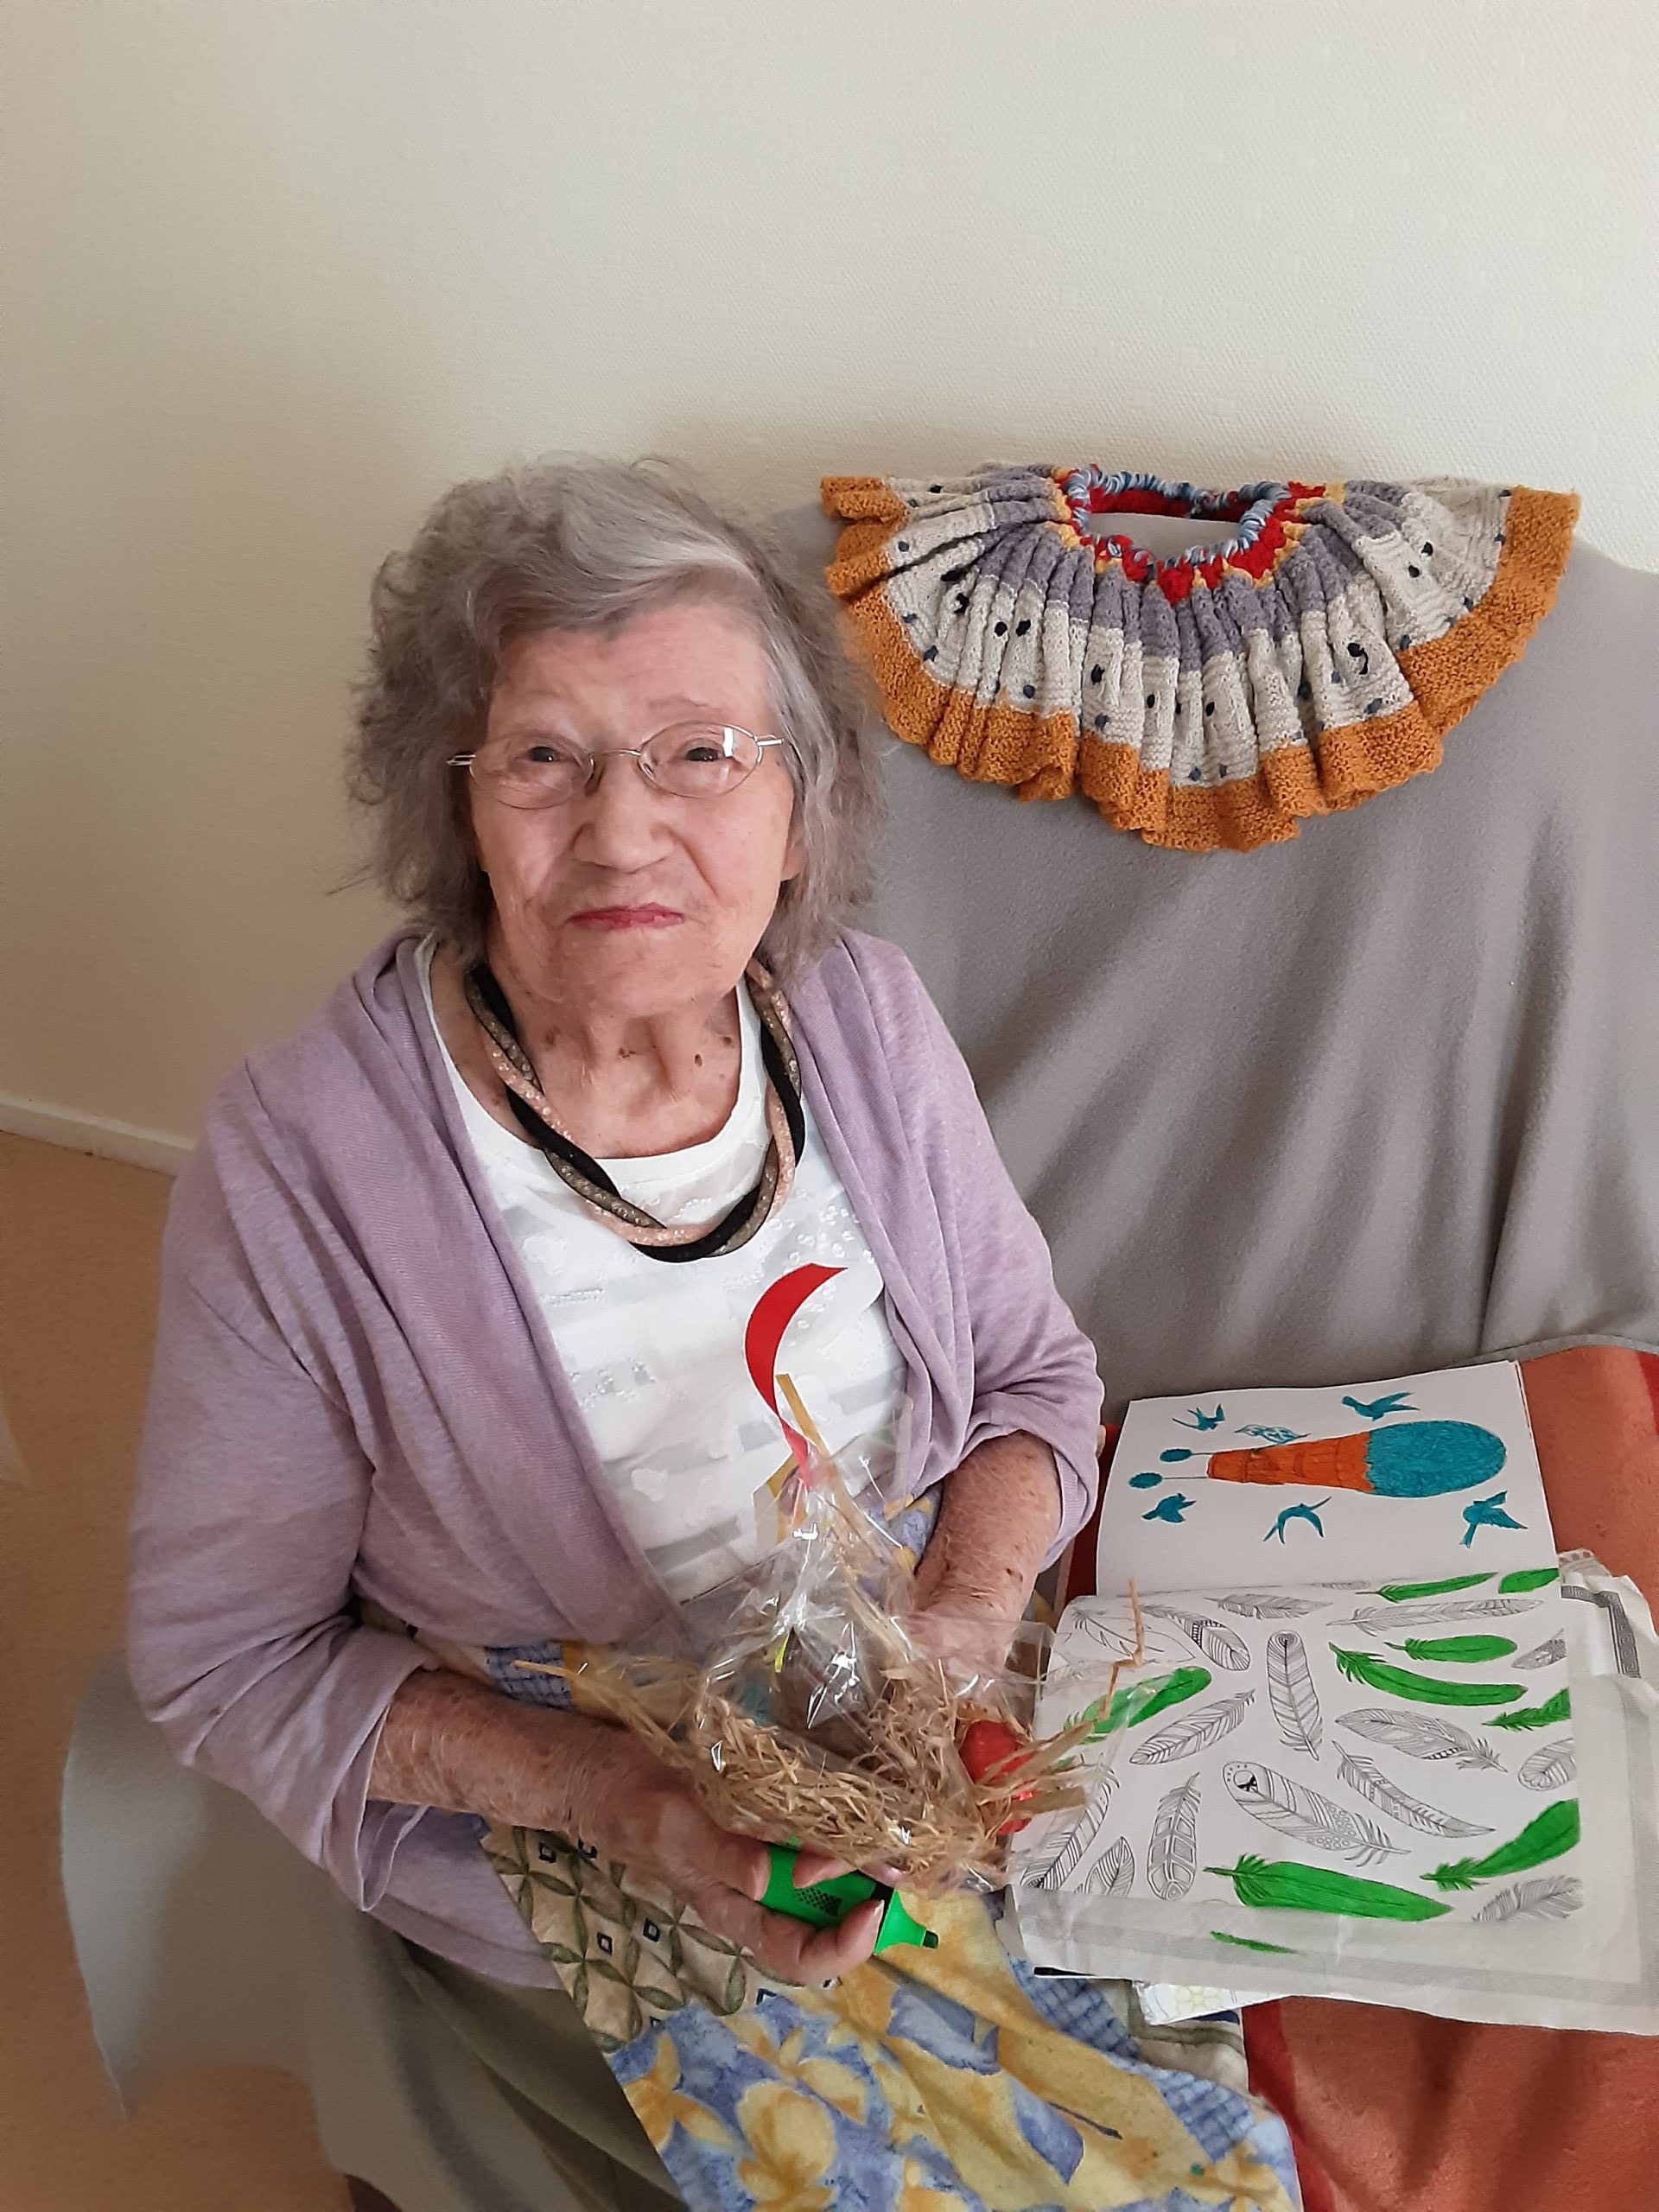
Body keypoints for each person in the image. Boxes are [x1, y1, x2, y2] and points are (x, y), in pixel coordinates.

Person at [130, 462, 1280, 2212]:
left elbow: (1037, 1386)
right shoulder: (300, 1168)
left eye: (699, 753)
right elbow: (229, 1660)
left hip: (925, 1714)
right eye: (545, 756)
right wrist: (633, 1803)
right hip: (603, 1806)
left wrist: (964, 1622)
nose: (620, 832)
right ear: (457, 805)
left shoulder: (867, 1022)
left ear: (800, 809)